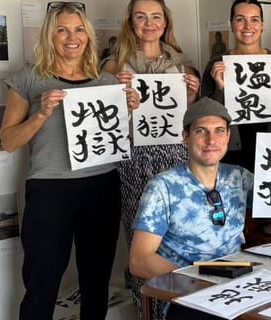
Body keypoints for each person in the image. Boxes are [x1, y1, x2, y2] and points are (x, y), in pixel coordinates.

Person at [0, 3, 140, 319]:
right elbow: (9, 142)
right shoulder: (29, 79)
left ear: (88, 37)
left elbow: (115, 138)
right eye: (62, 29)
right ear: (50, 35)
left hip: (101, 185)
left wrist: (128, 109)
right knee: (42, 278)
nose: (71, 37)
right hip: (50, 189)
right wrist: (41, 115)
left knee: (97, 277)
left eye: (78, 30)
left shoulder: (105, 81)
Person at [100, 1, 202, 317]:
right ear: (130, 21)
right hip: (133, 161)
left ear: (165, 21)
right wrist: (115, 97)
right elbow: (100, 121)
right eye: (141, 16)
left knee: (179, 235)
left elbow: (190, 117)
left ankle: (182, 310)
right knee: (141, 239)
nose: (149, 23)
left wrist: (194, 94)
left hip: (176, 157)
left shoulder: (183, 63)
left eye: (156, 16)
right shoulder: (113, 65)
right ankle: (147, 310)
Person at [130, 97, 254, 320]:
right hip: (189, 295)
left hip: (240, 287)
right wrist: (202, 282)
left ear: (228, 136)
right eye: (201, 131)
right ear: (185, 137)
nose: (211, 140)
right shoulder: (163, 186)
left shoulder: (241, 177)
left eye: (219, 131)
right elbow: (139, 261)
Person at [202, 0, 271, 170]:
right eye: (240, 19)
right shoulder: (216, 65)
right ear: (231, 24)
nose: (248, 26)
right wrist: (220, 88)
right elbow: (205, 118)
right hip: (230, 150)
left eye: (255, 19)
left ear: (263, 25)